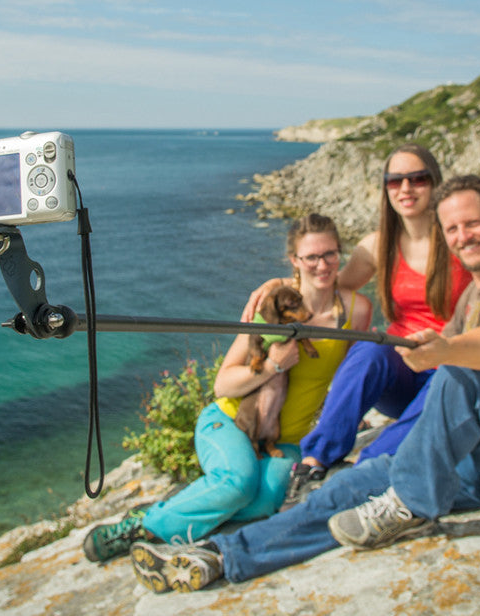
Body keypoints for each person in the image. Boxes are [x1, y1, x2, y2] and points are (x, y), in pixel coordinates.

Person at [128, 174, 480, 593]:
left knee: (460, 372)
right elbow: (321, 282)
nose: (462, 236)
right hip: (479, 458)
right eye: (452, 229)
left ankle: (410, 503)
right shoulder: (473, 293)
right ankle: (220, 557)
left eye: (473, 223)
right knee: (352, 487)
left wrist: (447, 348)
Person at [241, 144, 480, 508]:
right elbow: (328, 283)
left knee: (445, 379)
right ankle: (314, 461)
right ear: (385, 188)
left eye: (418, 178)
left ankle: (360, 475)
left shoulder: (456, 237)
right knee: (369, 347)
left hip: (451, 371)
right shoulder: (378, 245)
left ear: (435, 182)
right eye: (395, 180)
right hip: (402, 370)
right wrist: (279, 285)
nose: (406, 188)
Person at [82, 213, 372, 563]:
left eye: (330, 254)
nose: (322, 265)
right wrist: (273, 366)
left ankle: (180, 505)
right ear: (294, 260)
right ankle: (143, 525)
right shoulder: (271, 307)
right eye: (311, 257)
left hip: (285, 440)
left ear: (340, 253)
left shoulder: (356, 310)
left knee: (265, 502)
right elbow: (224, 383)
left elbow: (348, 376)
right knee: (238, 482)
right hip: (231, 422)